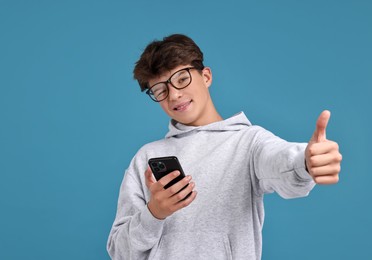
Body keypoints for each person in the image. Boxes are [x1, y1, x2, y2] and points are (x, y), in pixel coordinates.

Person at [107, 34, 342, 259]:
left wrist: (306, 162)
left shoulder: (249, 142)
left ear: (206, 77)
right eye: (161, 90)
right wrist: (154, 213)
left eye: (181, 79)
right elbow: (120, 252)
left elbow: (280, 162)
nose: (174, 95)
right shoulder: (147, 157)